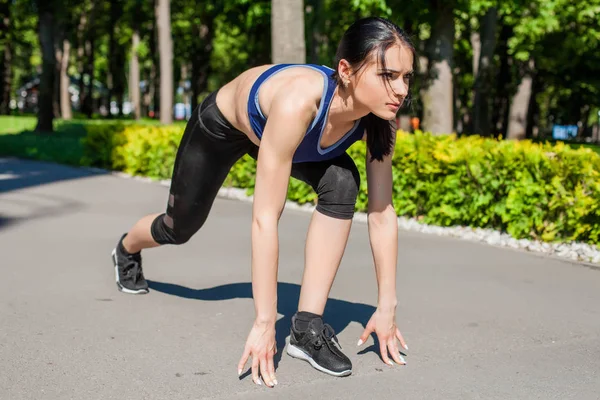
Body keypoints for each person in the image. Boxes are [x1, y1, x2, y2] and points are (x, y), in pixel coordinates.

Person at [110, 16, 414, 387]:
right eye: (388, 75)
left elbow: (382, 213)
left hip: (285, 137)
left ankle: (306, 328)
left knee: (342, 183)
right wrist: (264, 322)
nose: (400, 89)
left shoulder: (381, 120)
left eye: (406, 77)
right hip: (224, 127)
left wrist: (387, 307)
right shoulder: (298, 103)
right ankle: (126, 249)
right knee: (179, 227)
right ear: (346, 71)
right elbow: (265, 218)